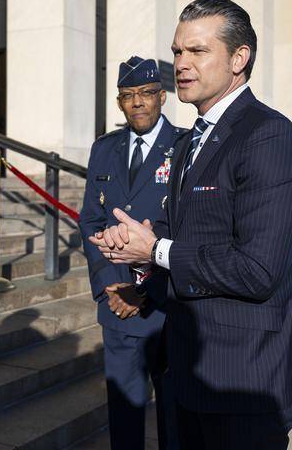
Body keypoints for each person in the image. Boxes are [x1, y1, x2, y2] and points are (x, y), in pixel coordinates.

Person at [91, 0, 292, 449]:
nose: (181, 63)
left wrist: (155, 250)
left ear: (239, 58)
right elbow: (193, 233)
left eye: (198, 51)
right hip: (187, 369)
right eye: (179, 51)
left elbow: (258, 270)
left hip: (243, 379)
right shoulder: (190, 142)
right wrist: (137, 244)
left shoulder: (268, 135)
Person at [78, 56, 182, 450]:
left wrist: (146, 289)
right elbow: (91, 221)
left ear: (163, 97)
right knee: (123, 417)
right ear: (119, 102)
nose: (137, 102)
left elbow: (187, 227)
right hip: (118, 304)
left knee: (174, 415)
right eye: (128, 95)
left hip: (166, 305)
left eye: (146, 93)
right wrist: (113, 286)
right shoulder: (104, 149)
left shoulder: (185, 145)